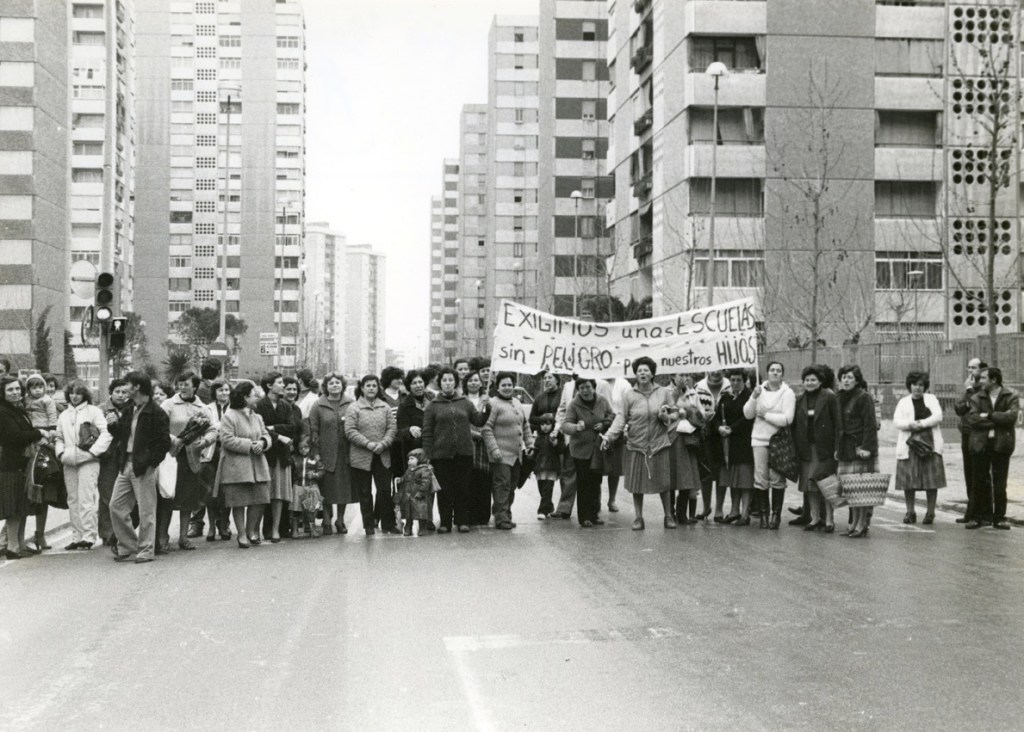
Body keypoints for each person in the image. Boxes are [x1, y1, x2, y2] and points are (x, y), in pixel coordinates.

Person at [600, 357, 678, 530]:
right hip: (636, 444)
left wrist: (666, 417)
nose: (642, 373)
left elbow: (675, 414)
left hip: (659, 444)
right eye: (639, 371)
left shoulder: (664, 392)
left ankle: (668, 516)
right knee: (637, 483)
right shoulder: (629, 395)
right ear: (636, 374)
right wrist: (609, 436)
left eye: (646, 370)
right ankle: (638, 518)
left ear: (652, 374)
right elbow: (621, 418)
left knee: (664, 482)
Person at [108, 371, 172, 563]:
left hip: (143, 467)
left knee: (146, 511)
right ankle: (129, 545)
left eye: (127, 384)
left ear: (137, 387)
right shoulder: (130, 408)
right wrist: (112, 425)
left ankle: (145, 550)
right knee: (116, 506)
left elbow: (164, 443)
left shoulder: (156, 413)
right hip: (126, 464)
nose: (124, 388)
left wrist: (151, 463)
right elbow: (122, 434)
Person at [158, 371, 218, 553]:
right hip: (171, 458)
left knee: (188, 501)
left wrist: (205, 441)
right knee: (167, 498)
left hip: (191, 459)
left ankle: (183, 537)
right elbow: (159, 427)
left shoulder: (203, 408)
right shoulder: (168, 404)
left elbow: (213, 430)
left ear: (195, 387)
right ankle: (162, 537)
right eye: (180, 384)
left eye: (186, 384)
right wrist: (173, 439)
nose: (182, 387)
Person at [422, 367, 482, 533]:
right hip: (441, 455)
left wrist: (487, 409)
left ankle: (462, 521)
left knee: (463, 488)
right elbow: (427, 432)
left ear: (455, 383)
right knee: (444, 490)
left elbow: (478, 421)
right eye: (444, 380)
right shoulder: (432, 406)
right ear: (440, 383)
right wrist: (427, 454)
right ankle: (445, 522)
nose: (448, 383)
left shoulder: (465, 402)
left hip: (464, 453)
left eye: (451, 380)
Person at [54, 382, 112, 550]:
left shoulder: (94, 411)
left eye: (78, 393)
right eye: (71, 393)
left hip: (88, 460)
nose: (74, 396)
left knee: (86, 499)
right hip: (69, 461)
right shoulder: (64, 414)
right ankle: (76, 536)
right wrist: (61, 453)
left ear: (85, 395)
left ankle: (88, 536)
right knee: (72, 499)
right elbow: (59, 437)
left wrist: (93, 452)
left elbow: (106, 433)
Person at [213, 381, 272, 548]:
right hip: (236, 467)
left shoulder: (257, 417)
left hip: (258, 465)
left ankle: (250, 530)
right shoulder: (229, 416)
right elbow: (227, 440)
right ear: (245, 398)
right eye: (254, 395)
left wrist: (263, 442)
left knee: (259, 499)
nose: (257, 397)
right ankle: (241, 534)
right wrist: (250, 445)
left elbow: (266, 434)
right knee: (238, 502)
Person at [964, 366, 1018, 531]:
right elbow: (973, 419)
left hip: (1001, 444)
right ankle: (977, 517)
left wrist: (987, 415)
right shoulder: (976, 397)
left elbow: (1011, 417)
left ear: (994, 380)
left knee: (1000, 483)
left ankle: (999, 518)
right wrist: (997, 420)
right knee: (979, 482)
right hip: (981, 443)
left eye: (983, 378)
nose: (980, 381)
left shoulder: (1011, 396)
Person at [743, 361, 796, 529]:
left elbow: (787, 419)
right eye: (772, 370)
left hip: (778, 441)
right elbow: (748, 414)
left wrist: (766, 415)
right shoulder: (759, 390)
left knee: (777, 478)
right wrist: (753, 397)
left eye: (778, 370)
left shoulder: (787, 393)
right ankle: (763, 514)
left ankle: (775, 515)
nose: (775, 373)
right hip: (759, 439)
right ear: (767, 373)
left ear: (782, 374)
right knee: (761, 478)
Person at [0, 376, 48, 559]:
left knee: (22, 506)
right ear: (3, 393)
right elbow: (14, 437)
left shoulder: (17, 409)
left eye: (17, 389)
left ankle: (19, 544)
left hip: (22, 464)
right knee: (13, 508)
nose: (15, 392)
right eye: (10, 390)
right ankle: (12, 547)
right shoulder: (3, 411)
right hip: (10, 465)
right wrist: (39, 433)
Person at [346, 374, 399, 535]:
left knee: (384, 491)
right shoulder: (354, 407)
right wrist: (368, 444)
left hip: (382, 455)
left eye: (374, 386)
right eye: (368, 385)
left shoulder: (385, 407)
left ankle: (388, 524)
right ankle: (369, 525)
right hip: (361, 457)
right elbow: (350, 430)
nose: (371, 388)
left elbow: (392, 428)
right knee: (365, 492)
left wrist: (383, 444)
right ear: (362, 388)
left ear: (378, 388)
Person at [790, 365, 840, 532]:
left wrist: (837, 447)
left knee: (826, 484)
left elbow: (837, 423)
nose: (810, 383)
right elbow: (794, 426)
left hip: (824, 449)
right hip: (806, 448)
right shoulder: (799, 399)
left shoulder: (829, 397)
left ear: (820, 382)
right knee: (810, 485)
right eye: (807, 380)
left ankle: (829, 520)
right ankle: (815, 517)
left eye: (813, 380)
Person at [481, 372, 533, 531]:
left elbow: (525, 425)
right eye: (503, 385)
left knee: (511, 486)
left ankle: (505, 513)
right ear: (497, 387)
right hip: (500, 455)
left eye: (510, 384)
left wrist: (529, 444)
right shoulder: (493, 404)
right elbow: (486, 428)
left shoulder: (517, 402)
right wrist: (494, 449)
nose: (507, 387)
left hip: (516, 454)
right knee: (502, 486)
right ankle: (501, 518)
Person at [561, 377, 614, 527]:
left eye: (588, 387)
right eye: (581, 388)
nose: (585, 391)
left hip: (598, 448)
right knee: (583, 482)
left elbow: (612, 415)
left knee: (596, 482)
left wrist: (604, 424)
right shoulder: (574, 404)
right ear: (578, 389)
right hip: (580, 449)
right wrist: (576, 427)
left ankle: (595, 514)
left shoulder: (602, 400)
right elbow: (565, 425)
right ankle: (584, 517)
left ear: (594, 387)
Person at [255, 372, 300, 543]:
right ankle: (258, 529)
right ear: (269, 386)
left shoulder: (285, 406)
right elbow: (259, 429)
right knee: (263, 494)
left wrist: (272, 427)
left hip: (282, 455)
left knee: (279, 494)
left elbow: (292, 427)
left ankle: (276, 529)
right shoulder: (259, 405)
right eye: (280, 383)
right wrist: (279, 436)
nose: (283, 386)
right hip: (265, 454)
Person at [308, 372, 355, 534]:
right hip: (325, 453)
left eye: (338, 383)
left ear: (343, 385)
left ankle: (340, 520)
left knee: (343, 489)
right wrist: (316, 454)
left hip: (345, 454)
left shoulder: (351, 403)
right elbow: (313, 431)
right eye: (331, 383)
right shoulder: (318, 405)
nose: (335, 385)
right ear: (325, 387)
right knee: (326, 488)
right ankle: (327, 520)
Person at [835, 365, 878, 538]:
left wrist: (867, 448)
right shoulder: (839, 397)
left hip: (860, 448)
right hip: (845, 448)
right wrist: (837, 448)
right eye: (843, 377)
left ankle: (862, 524)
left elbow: (870, 424)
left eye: (850, 377)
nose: (846, 380)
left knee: (862, 489)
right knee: (850, 489)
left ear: (857, 380)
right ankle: (853, 523)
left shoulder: (864, 397)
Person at [23, 373, 60, 550]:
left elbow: (53, 421)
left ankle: (40, 534)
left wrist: (49, 436)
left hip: (44, 444)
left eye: (41, 387)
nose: (37, 390)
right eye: (33, 387)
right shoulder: (23, 401)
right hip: (27, 444)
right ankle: (13, 538)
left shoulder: (49, 402)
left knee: (43, 494)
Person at [531, 370, 574, 520]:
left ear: (557, 380)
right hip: (543, 439)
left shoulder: (564, 394)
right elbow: (532, 418)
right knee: (543, 478)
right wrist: (544, 420)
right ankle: (547, 505)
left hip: (560, 438)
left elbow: (566, 412)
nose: (547, 380)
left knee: (562, 474)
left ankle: (561, 507)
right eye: (545, 378)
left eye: (550, 378)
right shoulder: (539, 398)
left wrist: (555, 423)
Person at [714, 370, 755, 524]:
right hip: (728, 444)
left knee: (744, 480)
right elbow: (716, 417)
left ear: (744, 381)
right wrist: (719, 428)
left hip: (744, 442)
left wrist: (732, 429)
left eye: (738, 380)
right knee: (734, 480)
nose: (735, 383)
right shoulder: (725, 397)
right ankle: (734, 511)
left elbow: (748, 418)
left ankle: (745, 514)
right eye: (732, 379)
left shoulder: (750, 396)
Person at [670, 373, 709, 524]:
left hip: (689, 440)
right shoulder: (666, 392)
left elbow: (702, 416)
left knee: (687, 476)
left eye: (686, 375)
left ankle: (682, 513)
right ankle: (670, 512)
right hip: (672, 439)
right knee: (672, 477)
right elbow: (666, 409)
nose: (684, 378)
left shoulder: (693, 394)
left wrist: (689, 412)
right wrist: (676, 393)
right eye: (680, 375)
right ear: (673, 376)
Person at [953, 358, 986, 524]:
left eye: (974, 368)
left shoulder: (983, 387)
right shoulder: (968, 388)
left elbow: (975, 406)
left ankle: (979, 513)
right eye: (969, 368)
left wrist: (969, 390)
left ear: (981, 370)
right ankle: (971, 511)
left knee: (978, 474)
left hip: (979, 435)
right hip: (966, 433)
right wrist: (967, 391)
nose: (970, 371)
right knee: (968, 473)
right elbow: (959, 408)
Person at [98, 378, 130, 546]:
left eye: (124, 392)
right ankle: (107, 533)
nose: (121, 395)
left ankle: (122, 532)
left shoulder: (132, 408)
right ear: (111, 393)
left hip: (126, 455)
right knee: (107, 495)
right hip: (108, 456)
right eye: (117, 392)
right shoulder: (101, 410)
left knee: (124, 495)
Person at [694, 371, 730, 519]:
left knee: (722, 471)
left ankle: (719, 509)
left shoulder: (729, 385)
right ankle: (706, 507)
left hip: (725, 434)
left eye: (719, 369)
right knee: (706, 471)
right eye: (712, 369)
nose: (715, 372)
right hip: (705, 434)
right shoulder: (698, 387)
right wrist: (702, 416)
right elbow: (693, 408)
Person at [200, 379, 233, 540]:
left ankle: (224, 524)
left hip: (228, 453)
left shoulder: (234, 408)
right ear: (214, 392)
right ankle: (212, 526)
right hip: (210, 454)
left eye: (226, 390)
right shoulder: (207, 409)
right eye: (220, 390)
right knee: (211, 492)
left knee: (226, 491)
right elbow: (204, 429)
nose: (224, 393)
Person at [462, 370, 493, 525]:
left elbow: (491, 420)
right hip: (467, 443)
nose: (474, 383)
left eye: (476, 380)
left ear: (481, 383)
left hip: (485, 444)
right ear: (465, 383)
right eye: (470, 380)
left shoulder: (487, 400)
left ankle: (483, 515)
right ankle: (469, 515)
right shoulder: (461, 400)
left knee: (484, 479)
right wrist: (473, 433)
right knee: (469, 480)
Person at [395, 448, 441, 536]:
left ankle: (422, 527)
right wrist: (401, 480)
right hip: (409, 494)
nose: (409, 461)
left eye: (412, 459)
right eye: (409, 459)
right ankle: (408, 527)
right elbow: (405, 477)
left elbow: (426, 482)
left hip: (419, 494)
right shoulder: (409, 469)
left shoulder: (425, 469)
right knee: (408, 511)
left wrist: (421, 491)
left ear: (420, 459)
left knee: (421, 511)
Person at [531, 414, 562, 520]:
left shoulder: (555, 437)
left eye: (548, 424)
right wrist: (531, 466)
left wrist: (556, 443)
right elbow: (535, 453)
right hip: (540, 467)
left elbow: (561, 450)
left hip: (552, 467)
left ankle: (542, 511)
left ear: (552, 425)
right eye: (542, 424)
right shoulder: (538, 438)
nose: (545, 427)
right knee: (542, 489)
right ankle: (549, 507)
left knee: (547, 489)